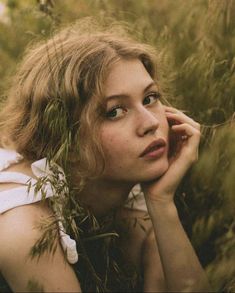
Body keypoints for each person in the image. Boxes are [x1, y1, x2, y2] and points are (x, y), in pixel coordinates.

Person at [0, 18, 211, 292]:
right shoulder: (24, 224)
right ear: (65, 137)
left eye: (150, 98)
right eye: (114, 112)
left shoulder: (128, 191)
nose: (151, 123)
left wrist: (161, 202)